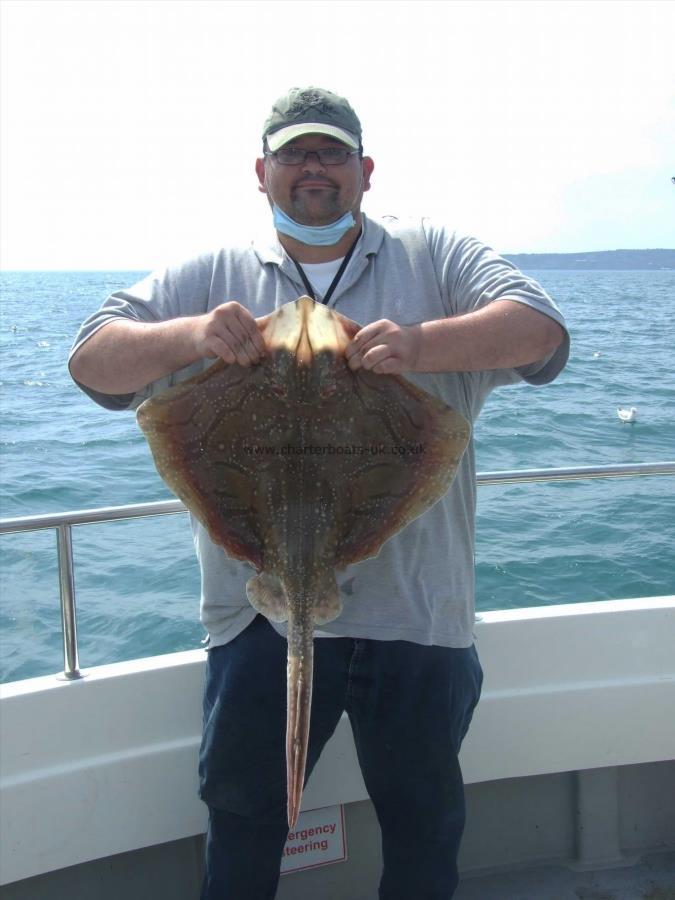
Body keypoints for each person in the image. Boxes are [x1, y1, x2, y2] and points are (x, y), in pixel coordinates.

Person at [69, 86, 569, 899]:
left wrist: (417, 345)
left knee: (421, 825)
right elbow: (93, 362)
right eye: (294, 153)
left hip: (417, 616)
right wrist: (191, 336)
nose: (312, 167)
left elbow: (542, 335)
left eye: (330, 152)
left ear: (365, 171)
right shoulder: (210, 273)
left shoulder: (435, 256)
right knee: (243, 818)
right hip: (259, 616)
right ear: (260, 171)